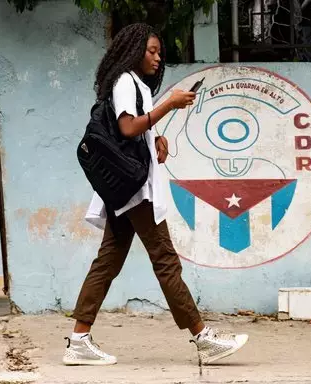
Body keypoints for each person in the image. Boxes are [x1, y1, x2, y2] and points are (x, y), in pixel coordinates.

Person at [62, 23, 248, 367]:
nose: (158, 58)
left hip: (127, 190)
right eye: (152, 51)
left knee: (108, 261)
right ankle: (203, 337)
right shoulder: (124, 81)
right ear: (134, 50)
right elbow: (127, 127)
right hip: (135, 191)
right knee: (165, 260)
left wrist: (157, 138)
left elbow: (137, 131)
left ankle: (78, 340)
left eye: (159, 53)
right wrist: (169, 105)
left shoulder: (134, 85)